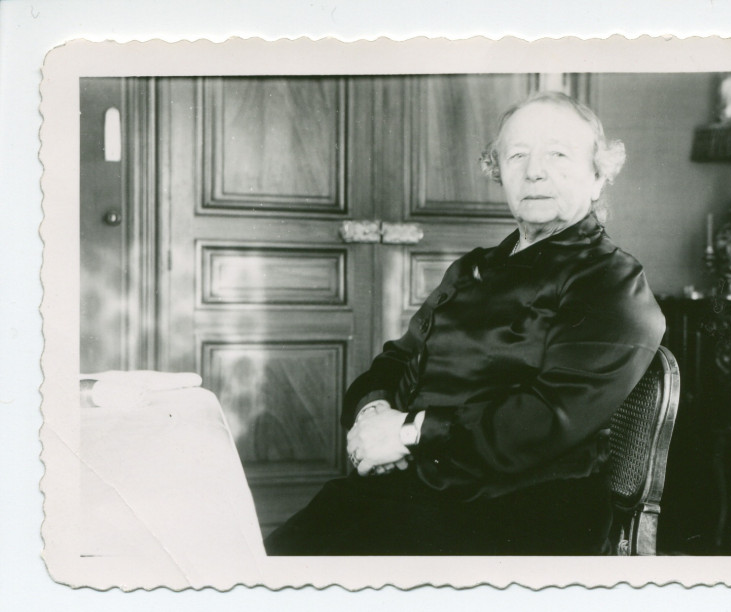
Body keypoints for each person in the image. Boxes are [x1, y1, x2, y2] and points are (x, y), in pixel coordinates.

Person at [264, 91, 665, 556]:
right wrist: (374, 415)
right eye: (517, 155)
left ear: (598, 176)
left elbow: (544, 420)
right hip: (414, 492)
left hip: (518, 516)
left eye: (558, 154)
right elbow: (395, 361)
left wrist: (408, 433)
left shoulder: (611, 282)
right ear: (499, 173)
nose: (534, 170)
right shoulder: (474, 267)